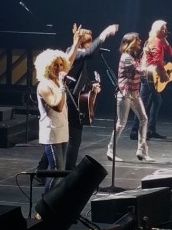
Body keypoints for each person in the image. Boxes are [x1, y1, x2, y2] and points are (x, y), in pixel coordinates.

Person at [34, 24, 118, 179]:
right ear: (80, 43)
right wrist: (105, 34)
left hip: (71, 100)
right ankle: (66, 172)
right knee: (73, 139)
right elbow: (89, 52)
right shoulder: (73, 54)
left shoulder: (77, 57)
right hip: (69, 101)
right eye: (88, 42)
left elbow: (79, 78)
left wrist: (91, 86)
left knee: (65, 140)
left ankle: (43, 170)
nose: (90, 45)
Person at [34, 26, 82, 193]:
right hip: (51, 133)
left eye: (61, 65)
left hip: (63, 130)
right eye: (56, 65)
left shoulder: (56, 80)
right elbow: (58, 105)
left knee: (60, 171)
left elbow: (70, 59)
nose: (60, 68)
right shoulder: (44, 85)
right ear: (48, 66)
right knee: (56, 170)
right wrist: (62, 86)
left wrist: (76, 42)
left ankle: (52, 203)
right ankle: (45, 206)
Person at [106, 32, 154, 162]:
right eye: (137, 39)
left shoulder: (133, 56)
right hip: (125, 93)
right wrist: (146, 56)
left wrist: (145, 55)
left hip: (134, 93)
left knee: (144, 119)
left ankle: (141, 150)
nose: (140, 41)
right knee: (121, 123)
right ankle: (110, 150)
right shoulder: (126, 57)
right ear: (130, 42)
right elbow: (141, 70)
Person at [130, 20, 172, 140]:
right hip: (150, 76)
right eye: (164, 28)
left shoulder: (154, 40)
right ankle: (135, 130)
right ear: (157, 29)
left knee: (156, 101)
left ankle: (150, 130)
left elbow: (170, 53)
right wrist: (163, 73)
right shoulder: (157, 41)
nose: (166, 30)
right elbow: (158, 60)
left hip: (150, 75)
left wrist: (165, 41)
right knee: (143, 103)